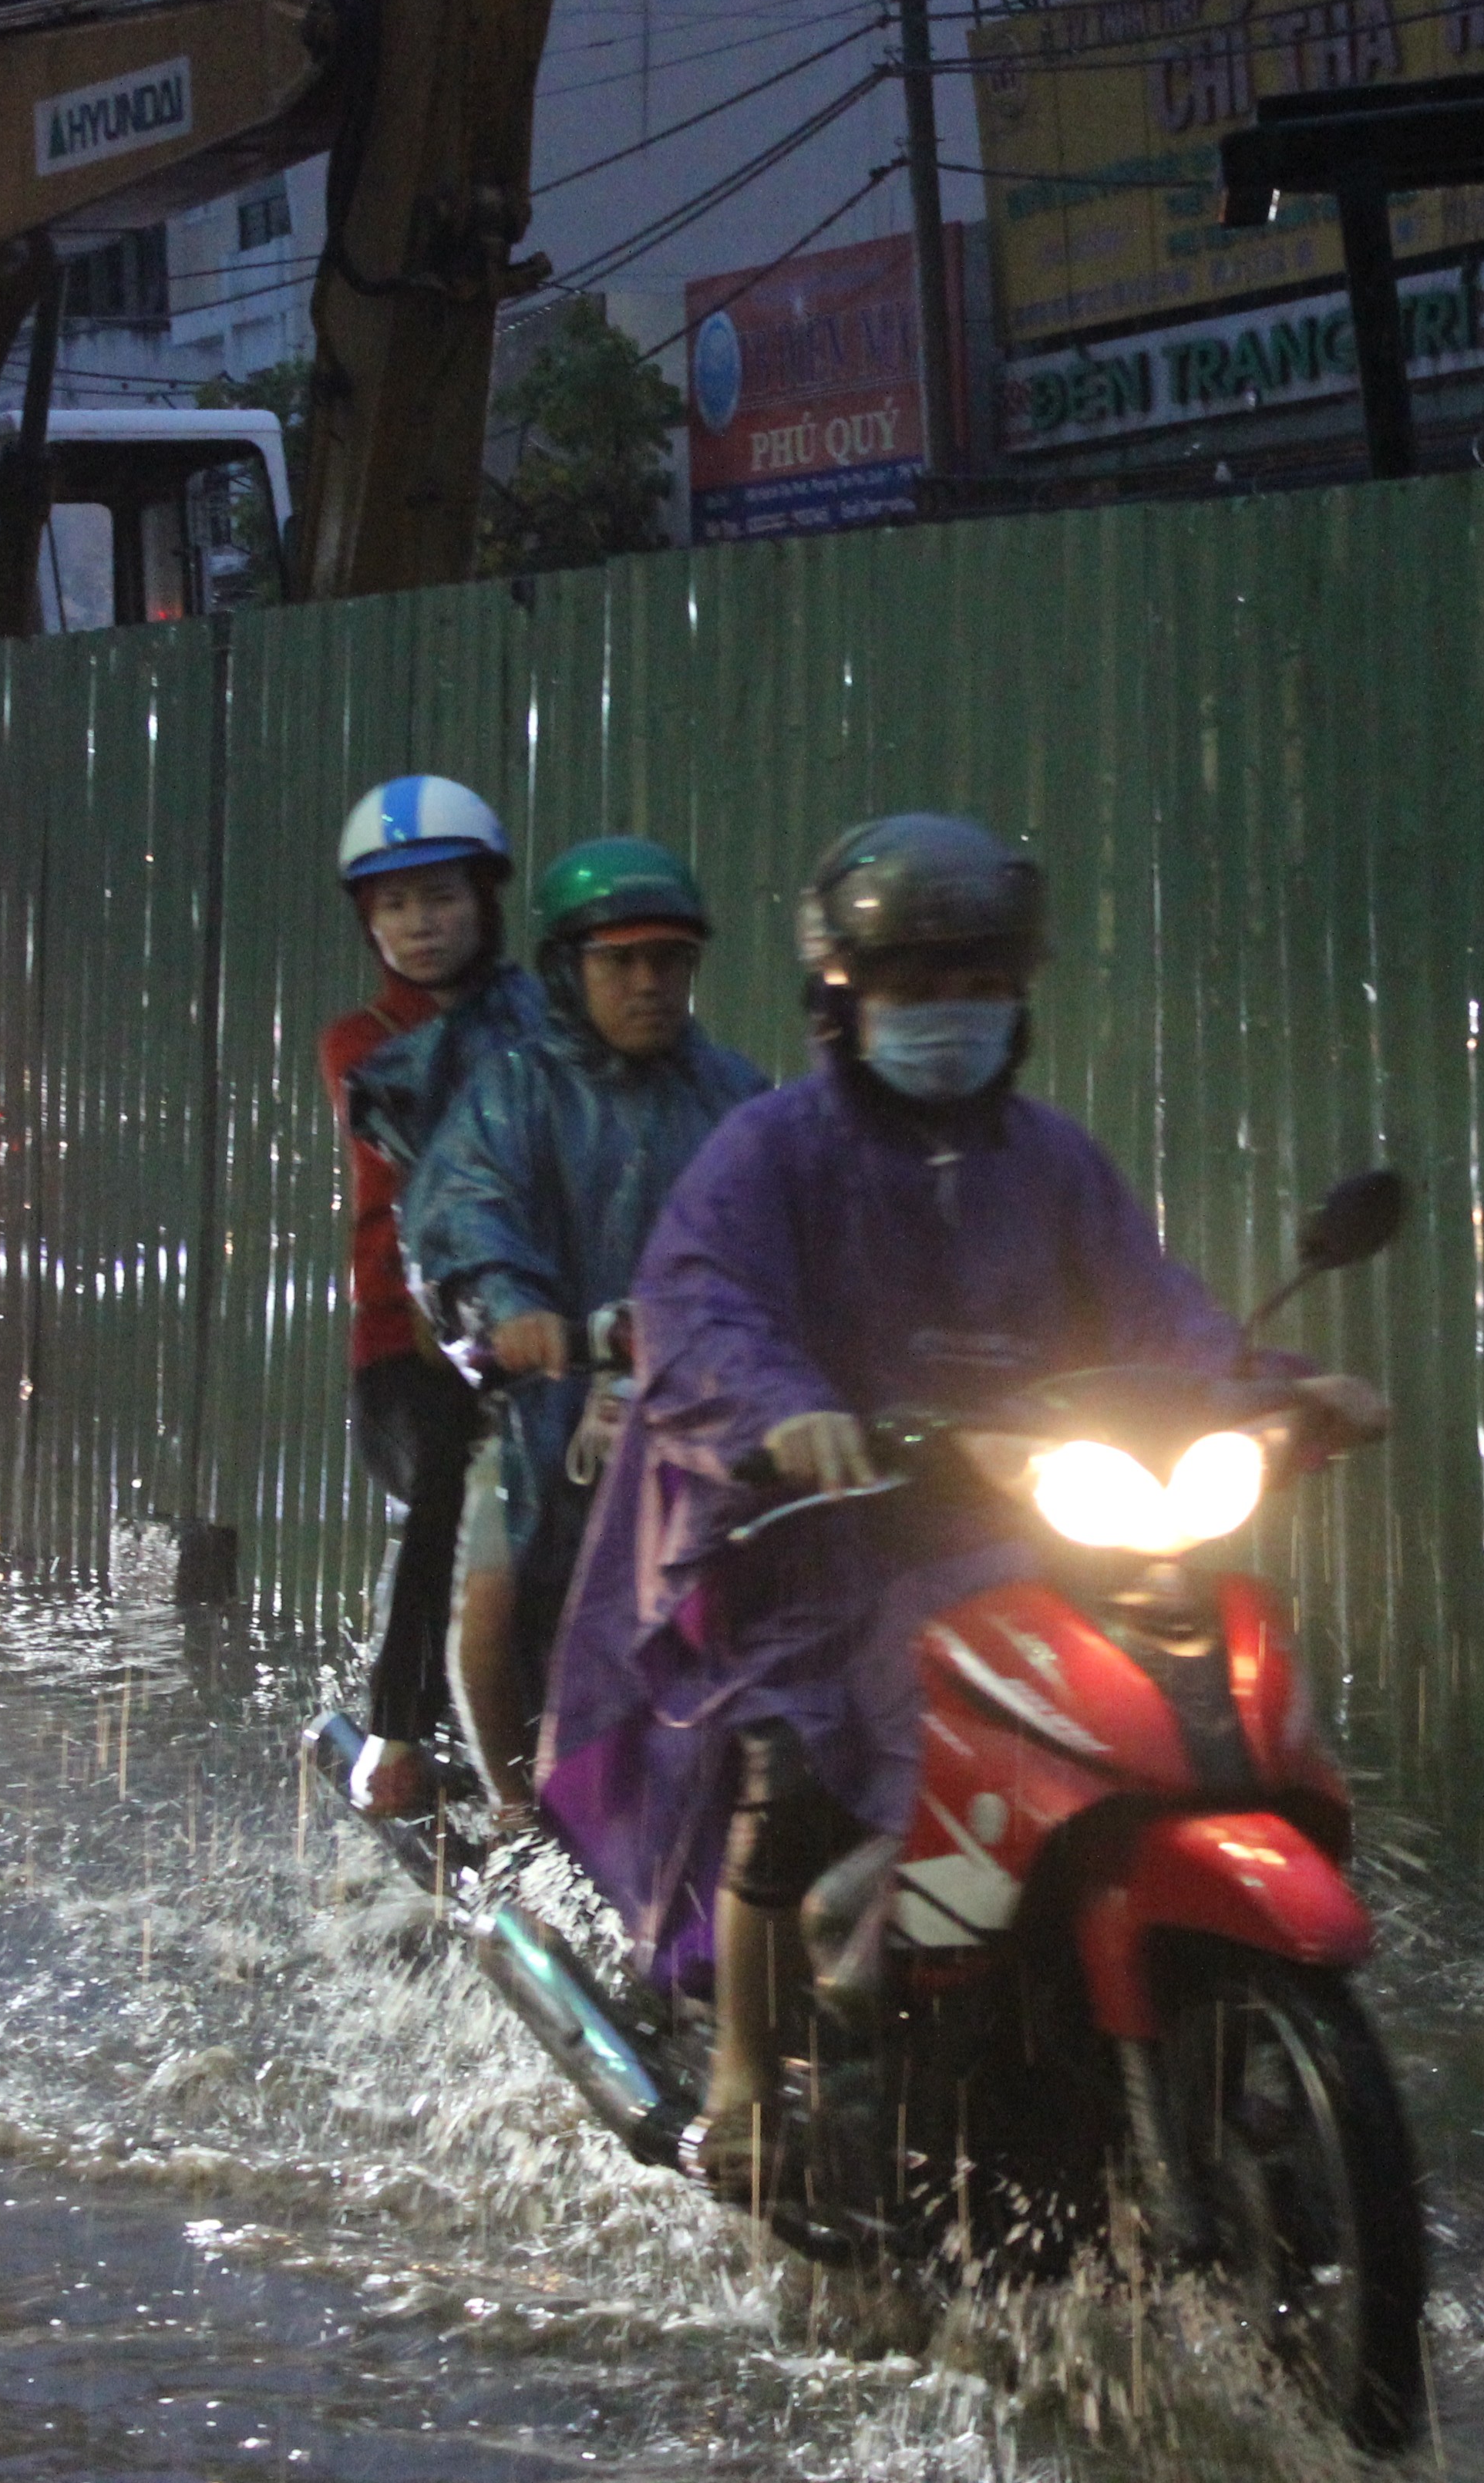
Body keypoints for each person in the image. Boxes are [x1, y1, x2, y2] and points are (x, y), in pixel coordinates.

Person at [537, 814, 1373, 2200]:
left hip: (1030, 1520)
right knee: (794, 1753)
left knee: (1158, 1707)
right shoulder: (770, 1150)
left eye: (975, 985)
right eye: (915, 988)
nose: (949, 1015)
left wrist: (1277, 1392)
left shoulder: (1050, 1160)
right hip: (826, 1525)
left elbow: (1156, 1313)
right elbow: (702, 1303)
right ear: (843, 997)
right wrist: (786, 1415)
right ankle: (748, 2077)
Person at [402, 837, 766, 1818]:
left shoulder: (741, 1098)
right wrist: (513, 1308)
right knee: (498, 1581)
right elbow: (465, 1213)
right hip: (552, 1407)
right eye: (621, 961)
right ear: (571, 967)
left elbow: (808, 1228)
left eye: (671, 961)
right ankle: (519, 1808)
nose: (649, 984)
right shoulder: (513, 1091)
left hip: (715, 1402)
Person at [314, 777, 540, 1817]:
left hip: (547, 1333)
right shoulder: (366, 1046)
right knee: (453, 1466)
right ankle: (400, 1736)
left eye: (440, 896)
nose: (420, 923)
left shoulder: (545, 1016)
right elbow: (449, 1170)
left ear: (484, 901)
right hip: (411, 1349)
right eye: (395, 905)